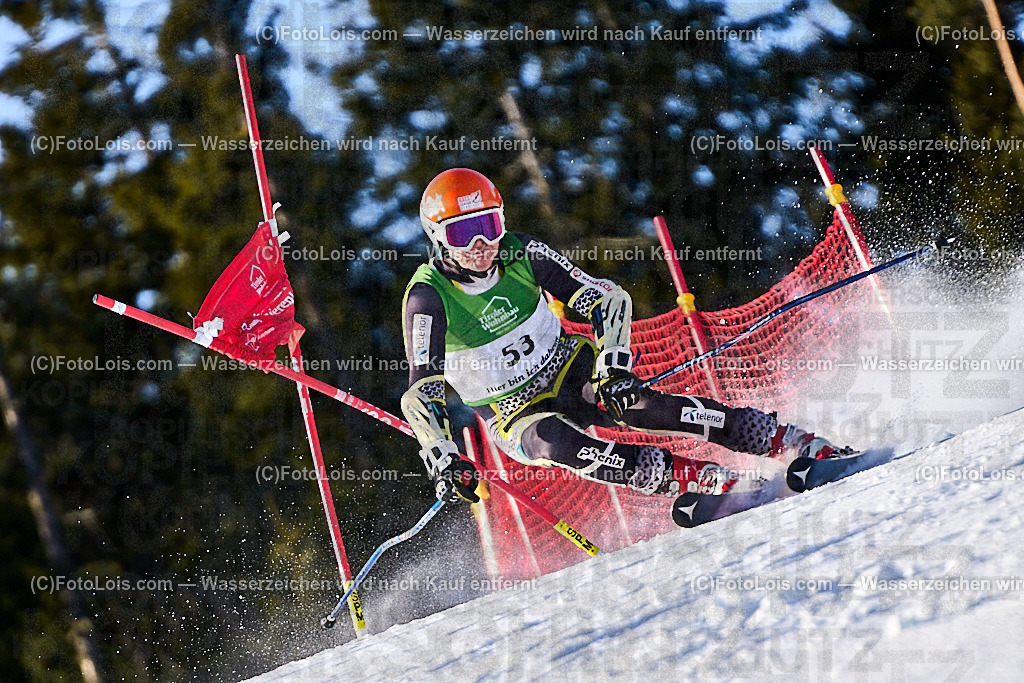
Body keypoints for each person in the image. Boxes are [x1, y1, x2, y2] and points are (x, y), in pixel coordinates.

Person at [400, 168, 847, 506]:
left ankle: (793, 442)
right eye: (463, 232)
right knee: (556, 442)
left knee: (637, 405)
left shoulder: (523, 252)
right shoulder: (427, 297)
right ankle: (706, 480)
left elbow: (606, 299)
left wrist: (613, 366)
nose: (481, 243)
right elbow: (422, 391)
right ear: (437, 237)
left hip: (566, 368)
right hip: (511, 411)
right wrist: (442, 454)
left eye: (490, 225)